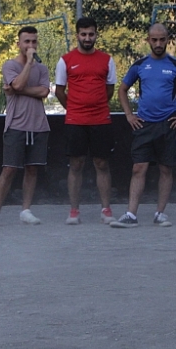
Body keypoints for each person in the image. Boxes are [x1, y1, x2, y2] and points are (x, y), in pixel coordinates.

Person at [111, 24, 176, 228]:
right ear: (148, 40)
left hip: (169, 124)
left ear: (167, 40)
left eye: (162, 39)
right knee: (139, 168)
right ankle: (131, 214)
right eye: (154, 40)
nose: (158, 43)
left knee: (166, 169)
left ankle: (160, 213)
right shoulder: (139, 65)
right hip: (144, 124)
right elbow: (122, 90)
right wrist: (129, 115)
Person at [0, 27, 50, 227]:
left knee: (32, 168)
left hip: (38, 126)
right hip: (16, 125)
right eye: (27, 42)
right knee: (9, 168)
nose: (31, 46)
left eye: (34, 42)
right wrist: (28, 64)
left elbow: (44, 91)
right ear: (18, 44)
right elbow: (17, 84)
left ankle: (26, 210)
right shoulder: (9, 65)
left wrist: (18, 89)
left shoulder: (43, 69)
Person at [54, 16, 118, 225]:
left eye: (91, 34)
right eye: (83, 34)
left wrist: (95, 105)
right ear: (78, 35)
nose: (87, 38)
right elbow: (60, 91)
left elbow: (110, 90)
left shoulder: (107, 60)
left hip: (101, 119)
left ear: (96, 35)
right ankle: (74, 211)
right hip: (75, 120)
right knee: (76, 164)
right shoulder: (65, 60)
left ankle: (106, 210)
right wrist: (74, 108)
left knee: (101, 163)